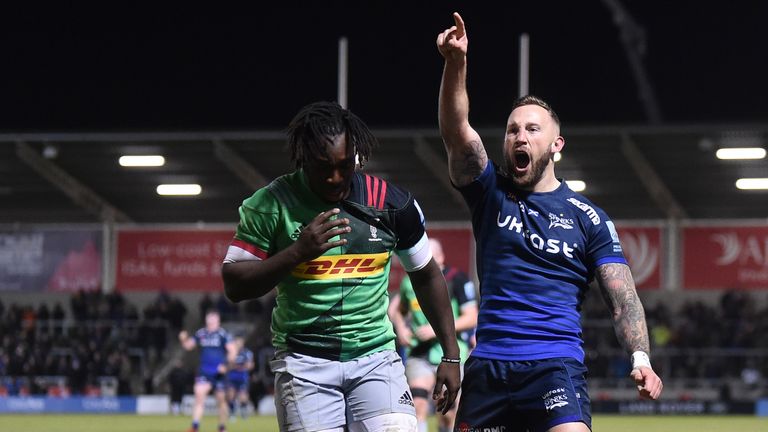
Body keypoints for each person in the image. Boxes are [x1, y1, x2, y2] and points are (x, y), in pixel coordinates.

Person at [435, 12, 663, 432]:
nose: (520, 137)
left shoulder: (588, 217)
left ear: (556, 145)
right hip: (489, 367)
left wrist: (641, 359)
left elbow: (623, 299)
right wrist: (456, 64)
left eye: (532, 129)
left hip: (553, 366)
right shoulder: (490, 194)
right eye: (512, 130)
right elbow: (456, 131)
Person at [221, 101, 461, 432]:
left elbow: (426, 275)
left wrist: (451, 355)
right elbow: (234, 284)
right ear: (302, 156)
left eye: (345, 165)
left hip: (375, 358)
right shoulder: (271, 204)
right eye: (323, 167)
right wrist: (297, 252)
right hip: (304, 363)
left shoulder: (392, 204)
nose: (335, 178)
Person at [388, 238, 478, 432]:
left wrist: (434, 330)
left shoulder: (457, 279)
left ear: (440, 257)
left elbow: (472, 318)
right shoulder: (409, 282)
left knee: (447, 414)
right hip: (419, 354)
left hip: (451, 354)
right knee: (417, 406)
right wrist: (401, 328)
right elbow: (398, 310)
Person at [178, 309, 236, 432]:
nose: (211, 322)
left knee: (221, 400)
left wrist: (225, 365)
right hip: (204, 371)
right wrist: (183, 339)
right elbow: (189, 346)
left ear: (218, 321)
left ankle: (221, 427)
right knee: (199, 396)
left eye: (213, 319)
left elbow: (232, 351)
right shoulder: (201, 333)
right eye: (209, 319)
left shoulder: (222, 334)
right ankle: (195, 426)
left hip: (219, 373)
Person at [226, 335, 254, 420]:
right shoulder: (231, 353)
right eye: (236, 342)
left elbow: (250, 365)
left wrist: (238, 366)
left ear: (243, 343)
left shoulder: (247, 353)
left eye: (240, 342)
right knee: (231, 395)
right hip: (232, 377)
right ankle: (232, 412)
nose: (238, 344)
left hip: (242, 377)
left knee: (243, 396)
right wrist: (235, 366)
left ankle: (244, 411)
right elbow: (227, 365)